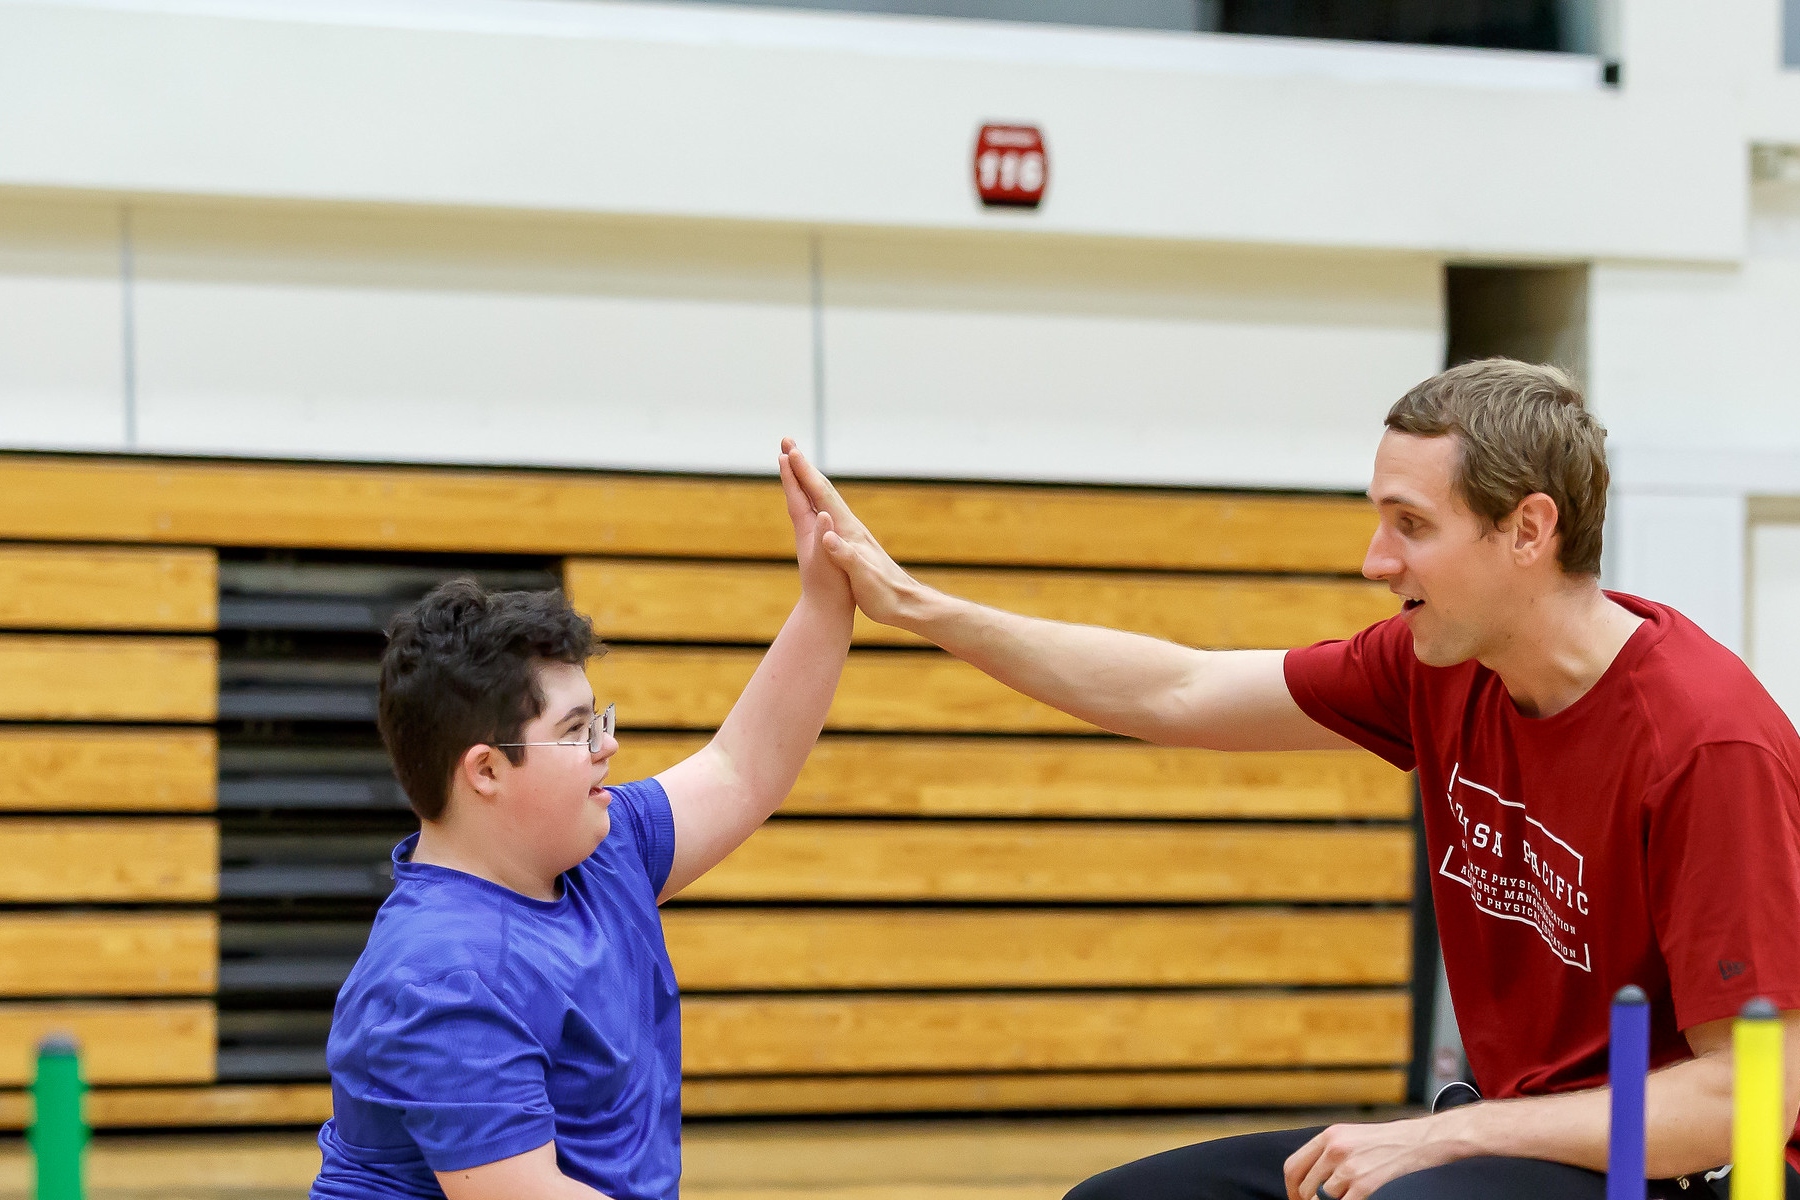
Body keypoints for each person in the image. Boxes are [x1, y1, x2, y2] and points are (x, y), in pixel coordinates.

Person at [786, 359, 1800, 1200]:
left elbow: (1743, 1104)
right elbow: (1178, 689)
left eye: (1411, 525)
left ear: (1529, 531)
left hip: (1674, 1173)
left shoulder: (1706, 745)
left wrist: (1440, 1139)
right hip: (1509, 1136)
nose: (1373, 560)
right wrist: (920, 608)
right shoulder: (1439, 668)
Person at [310, 442, 852, 1200]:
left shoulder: (598, 849)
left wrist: (826, 599)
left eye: (599, 719)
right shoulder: (443, 974)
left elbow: (741, 769)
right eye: (575, 732)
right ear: (486, 771)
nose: (609, 746)